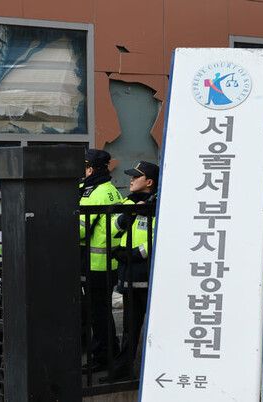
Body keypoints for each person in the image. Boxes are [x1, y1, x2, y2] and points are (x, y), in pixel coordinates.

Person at [104, 161, 159, 381]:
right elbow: (109, 230)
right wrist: (127, 217)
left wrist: (135, 254)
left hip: (148, 276)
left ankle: (155, 372)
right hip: (128, 276)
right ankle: (122, 372)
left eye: (136, 177)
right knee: (129, 328)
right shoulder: (127, 202)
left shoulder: (158, 205)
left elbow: (156, 237)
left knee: (157, 329)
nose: (131, 180)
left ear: (149, 182)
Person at [79, 149, 123, 371]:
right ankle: (110, 351)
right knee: (102, 310)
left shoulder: (94, 193)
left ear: (91, 169)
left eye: (84, 166)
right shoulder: (111, 189)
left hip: (95, 263)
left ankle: (102, 356)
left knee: (98, 312)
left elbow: (79, 230)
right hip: (109, 261)